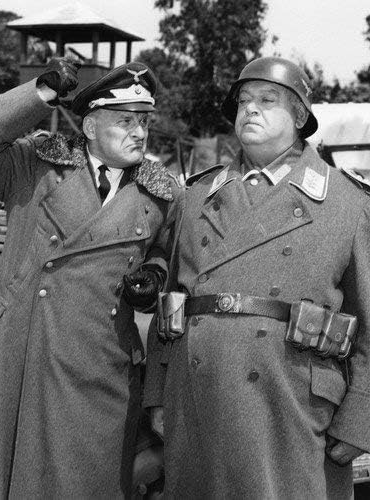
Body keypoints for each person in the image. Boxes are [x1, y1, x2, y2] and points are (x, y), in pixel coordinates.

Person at [144, 57, 370, 499]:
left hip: (292, 407)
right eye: (244, 100)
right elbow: (169, 305)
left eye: (267, 100)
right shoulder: (196, 196)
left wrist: (360, 419)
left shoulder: (347, 203)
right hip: (196, 399)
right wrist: (157, 394)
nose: (250, 109)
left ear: (300, 117)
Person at [0, 58, 178, 498]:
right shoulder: (35, 165)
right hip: (25, 344)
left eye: (144, 121)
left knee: (90, 479)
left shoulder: (160, 192)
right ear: (90, 126)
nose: (139, 133)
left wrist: (154, 276)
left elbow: (168, 252)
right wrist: (38, 93)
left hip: (101, 359)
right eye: (125, 121)